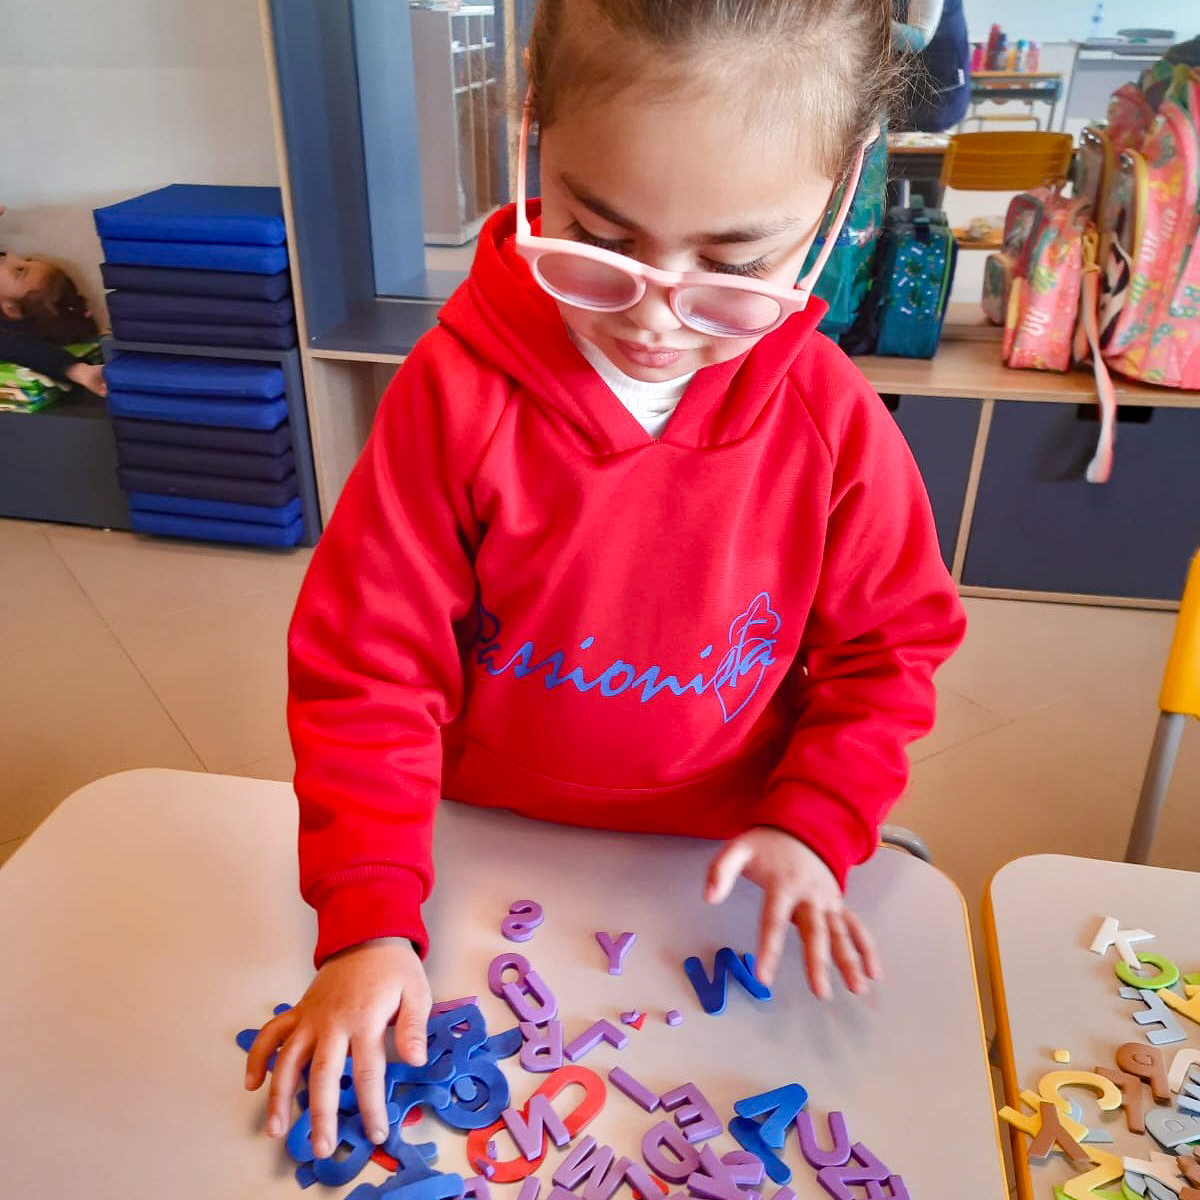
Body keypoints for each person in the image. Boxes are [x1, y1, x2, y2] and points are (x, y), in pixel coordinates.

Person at [247, 0, 967, 1159]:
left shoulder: (831, 420)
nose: (655, 321)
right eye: (603, 238)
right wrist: (366, 924)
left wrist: (816, 822)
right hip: (480, 845)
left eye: (737, 267)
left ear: (837, 208)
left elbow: (887, 653)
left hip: (717, 865)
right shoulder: (454, 393)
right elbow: (367, 669)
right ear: (535, 137)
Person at [0, 248, 106, 396]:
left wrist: (78, 370)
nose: (11, 256)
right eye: (28, 259)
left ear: (10, 309)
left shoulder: (9, 337)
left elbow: (17, 346)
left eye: (19, 271)